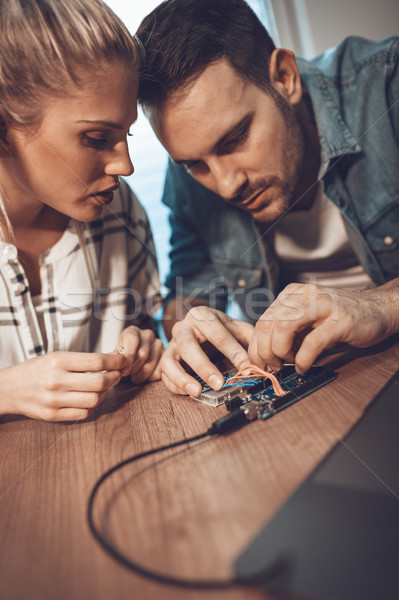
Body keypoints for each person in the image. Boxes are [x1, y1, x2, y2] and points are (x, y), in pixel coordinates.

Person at [136, 0, 399, 397]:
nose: (226, 186)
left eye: (234, 139)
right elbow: (189, 291)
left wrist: (381, 305)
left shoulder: (387, 89)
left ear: (285, 77)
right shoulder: (190, 167)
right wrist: (189, 327)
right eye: (195, 165)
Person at [0, 0, 164, 422]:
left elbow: (148, 324)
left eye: (126, 133)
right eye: (95, 138)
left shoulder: (121, 210)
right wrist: (7, 392)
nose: (124, 166)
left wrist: (145, 345)